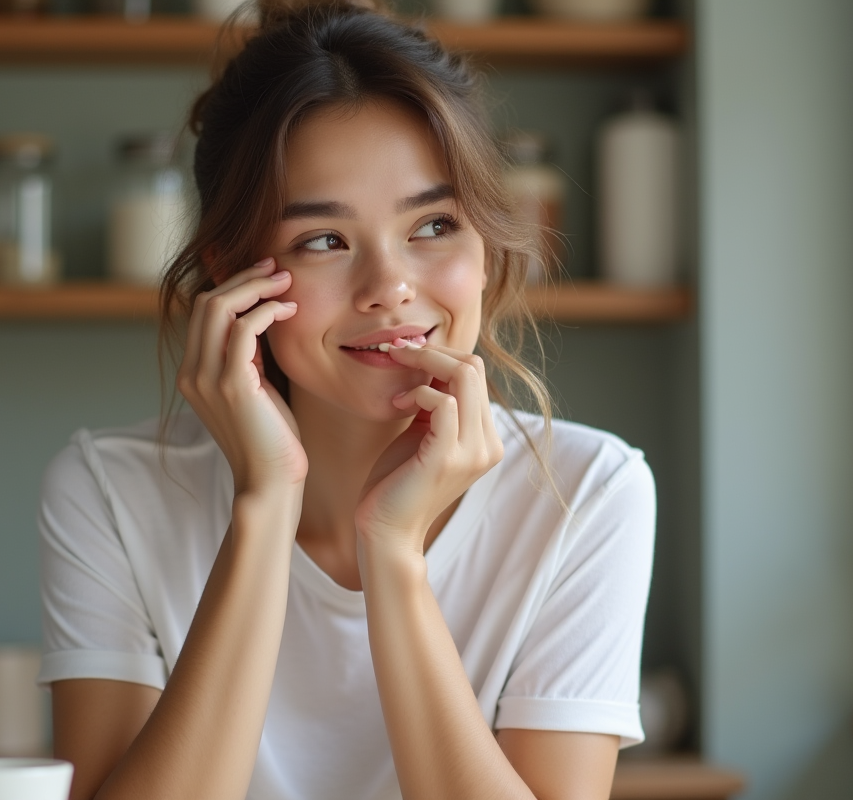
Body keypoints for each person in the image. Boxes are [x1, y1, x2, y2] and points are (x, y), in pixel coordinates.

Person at [37, 1, 655, 798]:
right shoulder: (109, 492)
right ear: (234, 276)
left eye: (433, 224)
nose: (389, 288)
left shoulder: (588, 493)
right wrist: (264, 504)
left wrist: (391, 554)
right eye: (323, 240)